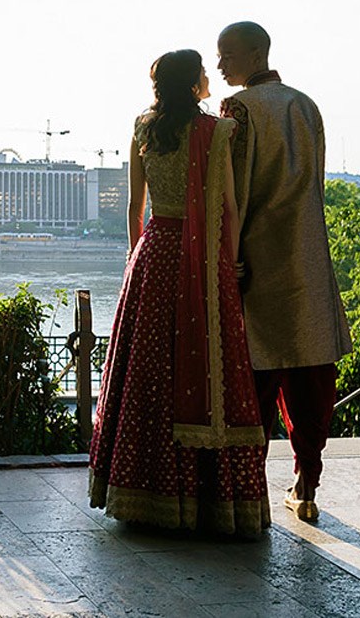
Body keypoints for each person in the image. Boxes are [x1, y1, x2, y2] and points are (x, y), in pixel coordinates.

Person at [89, 49, 269, 537]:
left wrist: (134, 262)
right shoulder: (216, 133)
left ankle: (143, 488)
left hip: (154, 254)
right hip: (202, 261)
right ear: (193, 84)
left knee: (149, 372)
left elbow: (134, 207)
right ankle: (211, 500)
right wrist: (227, 262)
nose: (211, 77)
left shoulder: (143, 128)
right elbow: (228, 205)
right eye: (203, 74)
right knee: (211, 367)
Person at [216, 21, 351, 524]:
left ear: (255, 53)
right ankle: (306, 484)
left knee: (254, 379)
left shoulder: (238, 111)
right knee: (310, 374)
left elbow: (234, 192)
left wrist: (229, 254)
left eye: (227, 55)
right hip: (308, 253)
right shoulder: (305, 104)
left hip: (258, 258)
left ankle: (251, 490)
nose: (220, 66)